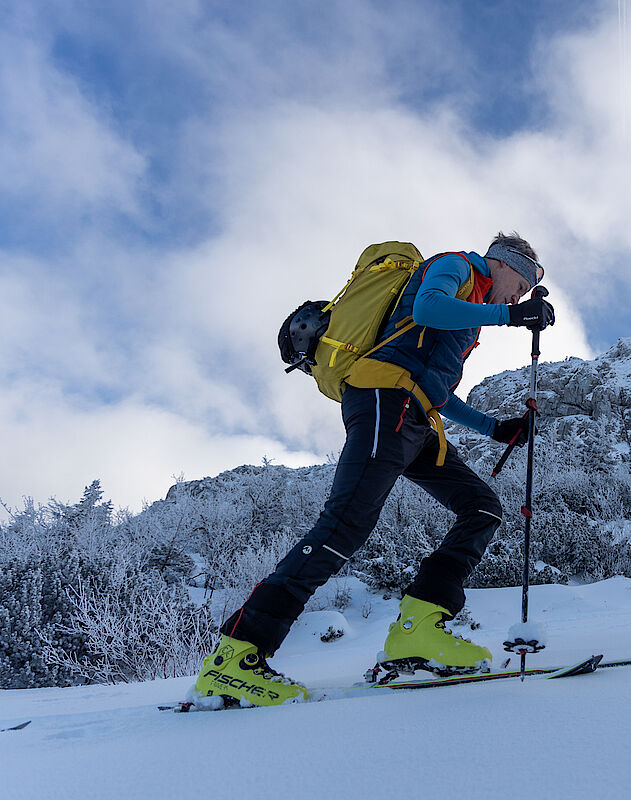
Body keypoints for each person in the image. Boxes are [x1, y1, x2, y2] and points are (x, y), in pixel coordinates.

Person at [191, 232, 555, 707]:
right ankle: (236, 658)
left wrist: (495, 429)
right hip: (385, 400)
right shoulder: (457, 267)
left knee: (481, 507)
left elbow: (436, 388)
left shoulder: (473, 309)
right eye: (525, 284)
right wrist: (508, 316)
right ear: (507, 264)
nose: (522, 295)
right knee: (343, 525)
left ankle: (417, 631)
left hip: (413, 413)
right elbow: (427, 309)